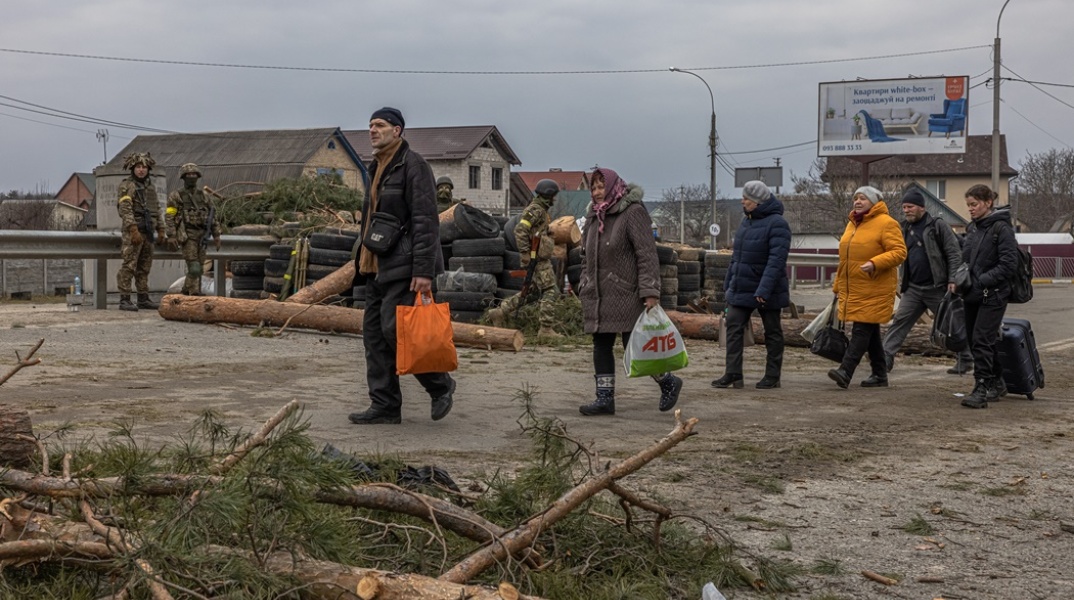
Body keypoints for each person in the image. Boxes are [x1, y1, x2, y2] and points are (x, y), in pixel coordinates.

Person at [350, 107, 456, 425]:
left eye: (379, 125)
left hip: (404, 263)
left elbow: (426, 220)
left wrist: (423, 271)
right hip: (374, 264)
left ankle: (440, 385)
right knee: (373, 337)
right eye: (370, 125)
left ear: (397, 131)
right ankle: (384, 406)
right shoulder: (377, 166)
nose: (372, 130)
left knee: (395, 330)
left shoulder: (414, 166)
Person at [577, 168, 682, 416]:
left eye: (601, 187)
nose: (596, 192)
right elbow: (584, 256)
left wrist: (650, 292)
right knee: (600, 344)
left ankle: (668, 381)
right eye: (593, 188)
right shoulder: (593, 215)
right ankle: (604, 399)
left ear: (613, 186)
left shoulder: (632, 213)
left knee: (634, 345)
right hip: (598, 294)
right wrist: (584, 281)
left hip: (626, 292)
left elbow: (646, 255)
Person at [882, 188, 973, 373]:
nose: (906, 210)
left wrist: (953, 279)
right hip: (913, 288)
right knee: (900, 321)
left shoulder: (938, 226)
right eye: (904, 207)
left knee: (952, 324)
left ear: (921, 208)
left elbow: (953, 253)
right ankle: (884, 359)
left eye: (910, 206)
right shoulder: (904, 228)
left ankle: (966, 358)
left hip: (937, 287)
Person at [711, 180, 791, 390]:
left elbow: (776, 261)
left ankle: (773, 376)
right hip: (743, 286)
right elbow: (737, 257)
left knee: (772, 331)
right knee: (733, 326)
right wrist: (729, 283)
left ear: (757, 201)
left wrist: (764, 289)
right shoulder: (746, 222)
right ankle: (733, 373)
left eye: (746, 198)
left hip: (768, 288)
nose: (742, 201)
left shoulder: (778, 224)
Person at [828, 186, 907, 389]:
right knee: (869, 329)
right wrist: (838, 285)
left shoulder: (887, 223)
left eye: (863, 198)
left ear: (874, 202)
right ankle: (880, 374)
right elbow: (845, 260)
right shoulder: (852, 224)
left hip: (875, 286)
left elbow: (899, 252)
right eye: (856, 198)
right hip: (855, 286)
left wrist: (875, 263)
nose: (858, 201)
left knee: (861, 328)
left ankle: (846, 370)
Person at [958, 184, 1019, 409]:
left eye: (974, 204)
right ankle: (997, 381)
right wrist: (959, 278)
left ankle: (981, 387)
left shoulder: (1001, 229)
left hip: (993, 294)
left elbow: (1008, 265)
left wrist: (983, 279)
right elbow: (966, 259)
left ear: (988, 203)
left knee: (982, 339)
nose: (970, 209)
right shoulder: (974, 229)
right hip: (972, 292)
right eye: (968, 205)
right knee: (976, 341)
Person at [486, 179, 562, 340]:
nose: (555, 199)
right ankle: (546, 329)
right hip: (538, 260)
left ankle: (499, 312)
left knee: (532, 293)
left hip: (539, 258)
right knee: (550, 291)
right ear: (548, 195)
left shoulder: (540, 210)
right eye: (553, 196)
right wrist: (525, 253)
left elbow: (534, 232)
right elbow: (520, 229)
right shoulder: (536, 210)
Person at [116, 152, 164, 312]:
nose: (141, 170)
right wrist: (133, 229)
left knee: (144, 267)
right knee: (129, 265)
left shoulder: (150, 188)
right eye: (138, 167)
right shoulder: (127, 185)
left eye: (144, 167)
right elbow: (125, 208)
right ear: (133, 168)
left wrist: (161, 229)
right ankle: (124, 299)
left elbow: (156, 209)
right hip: (134, 231)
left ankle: (143, 298)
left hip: (148, 230)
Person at [165, 163, 221, 296]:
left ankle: (186, 290)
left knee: (200, 266)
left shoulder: (204, 196)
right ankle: (194, 292)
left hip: (202, 234)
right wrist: (171, 235)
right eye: (189, 175)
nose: (191, 177)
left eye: (194, 175)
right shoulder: (176, 195)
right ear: (183, 177)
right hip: (187, 235)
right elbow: (170, 216)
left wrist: (217, 235)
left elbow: (213, 216)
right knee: (194, 267)